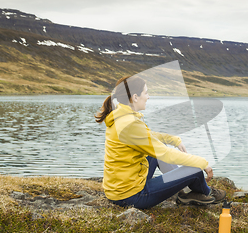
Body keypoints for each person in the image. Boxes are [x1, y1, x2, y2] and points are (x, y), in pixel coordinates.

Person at [94, 75, 225, 209]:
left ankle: (185, 191)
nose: (148, 97)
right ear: (135, 97)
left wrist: (173, 140)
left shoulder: (120, 117)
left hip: (118, 190)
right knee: (194, 170)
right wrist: (203, 163)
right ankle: (206, 192)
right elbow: (167, 154)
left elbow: (148, 137)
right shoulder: (130, 124)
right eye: (146, 93)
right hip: (132, 196)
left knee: (155, 152)